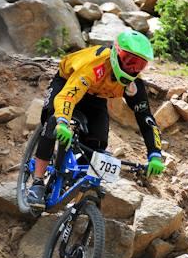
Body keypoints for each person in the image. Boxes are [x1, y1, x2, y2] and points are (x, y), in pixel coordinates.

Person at [27, 30, 165, 206]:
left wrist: (155, 154)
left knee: (98, 143)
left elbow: (146, 119)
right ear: (116, 52)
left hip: (96, 97)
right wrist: (62, 121)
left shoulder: (133, 84)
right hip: (67, 82)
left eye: (139, 66)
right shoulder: (95, 65)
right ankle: (37, 183)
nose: (132, 69)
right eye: (130, 61)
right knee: (53, 122)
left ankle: (71, 180)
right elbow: (68, 96)